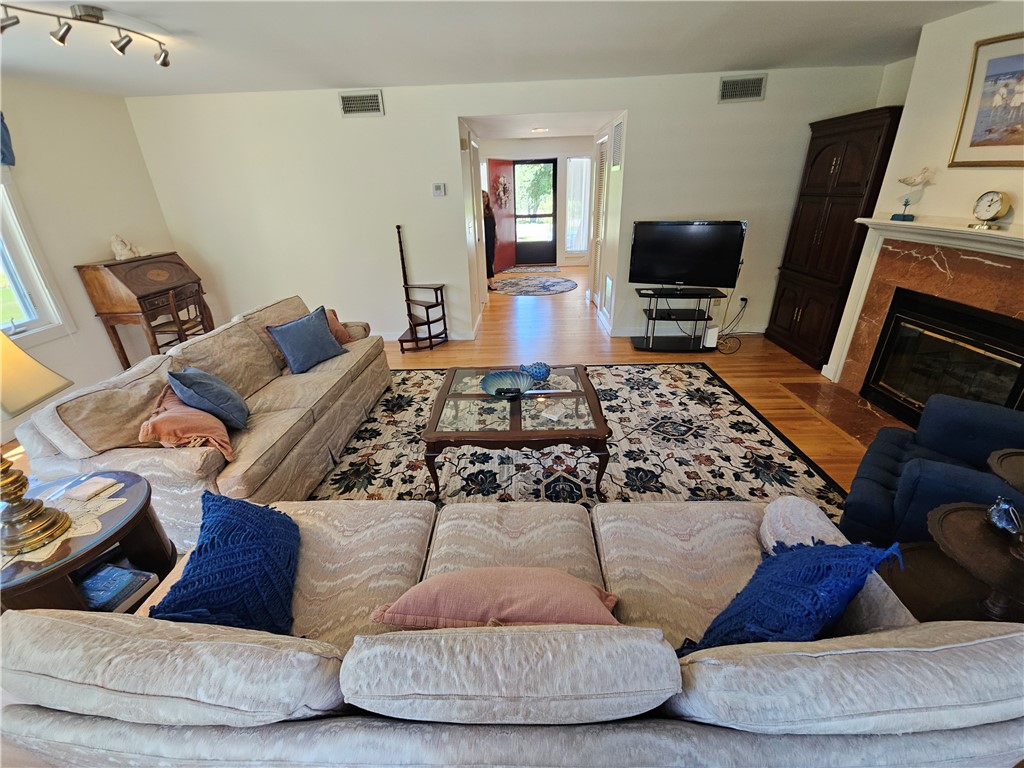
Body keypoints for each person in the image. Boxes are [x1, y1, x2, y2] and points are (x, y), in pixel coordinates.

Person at [482, 190, 497, 291]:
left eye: (486, 197)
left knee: (491, 259)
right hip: (483, 239)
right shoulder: (478, 211)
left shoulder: (490, 210)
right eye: (483, 197)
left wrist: (496, 237)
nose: (485, 199)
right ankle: (491, 283)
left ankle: (486, 281)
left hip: (491, 238)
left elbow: (494, 226)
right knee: (487, 260)